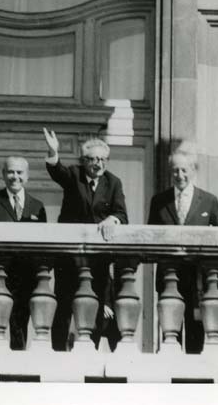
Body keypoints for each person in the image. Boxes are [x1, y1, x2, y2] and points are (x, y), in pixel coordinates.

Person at [43, 128, 129, 351]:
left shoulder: (114, 183)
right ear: (84, 161)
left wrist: (112, 219)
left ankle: (90, 349)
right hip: (70, 259)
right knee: (63, 306)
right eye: (92, 159)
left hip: (98, 260)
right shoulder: (74, 175)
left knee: (98, 306)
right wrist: (53, 152)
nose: (97, 164)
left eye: (102, 159)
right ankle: (58, 352)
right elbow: (57, 172)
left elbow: (122, 215)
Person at [146, 145, 218, 353]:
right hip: (169, 277)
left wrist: (211, 275)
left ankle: (193, 382)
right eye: (175, 171)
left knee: (196, 333)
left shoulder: (209, 201)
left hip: (198, 279)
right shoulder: (159, 201)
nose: (179, 175)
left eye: (184, 170)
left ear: (193, 170)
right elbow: (150, 238)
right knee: (170, 333)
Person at [0, 156, 47, 350]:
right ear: (3, 174)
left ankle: (18, 371)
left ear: (28, 176)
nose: (14, 176)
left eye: (19, 172)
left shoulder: (37, 206)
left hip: (25, 277)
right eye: (10, 172)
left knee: (20, 326)